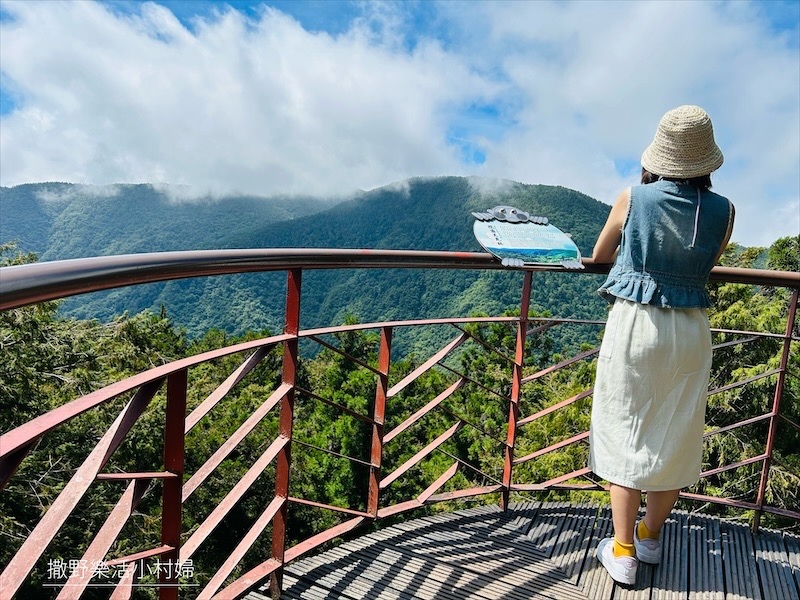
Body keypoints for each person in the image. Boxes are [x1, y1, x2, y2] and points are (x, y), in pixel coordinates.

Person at [589, 105, 735, 586]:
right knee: (675, 430)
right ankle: (651, 536)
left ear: (659, 155)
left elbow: (600, 255)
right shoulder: (725, 211)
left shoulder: (633, 198)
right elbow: (706, 266)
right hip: (691, 330)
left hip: (636, 325)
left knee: (625, 427)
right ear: (705, 161)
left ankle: (623, 550)